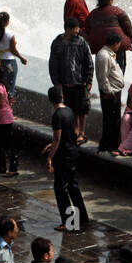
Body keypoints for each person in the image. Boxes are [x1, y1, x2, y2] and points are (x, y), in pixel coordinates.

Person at [43, 86, 90, 232]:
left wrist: (50, 157)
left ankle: (69, 222)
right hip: (72, 152)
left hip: (63, 156)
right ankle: (83, 217)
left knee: (61, 188)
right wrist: (54, 144)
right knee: (72, 186)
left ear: (50, 100)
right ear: (62, 97)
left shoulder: (57, 115)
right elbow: (73, 132)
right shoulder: (68, 111)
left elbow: (57, 138)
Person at [49, 17, 94, 143]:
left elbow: (89, 62)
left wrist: (89, 80)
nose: (77, 31)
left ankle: (82, 133)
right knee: (70, 109)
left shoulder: (81, 42)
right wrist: (56, 83)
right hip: (64, 83)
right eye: (75, 29)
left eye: (77, 28)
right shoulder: (57, 43)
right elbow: (53, 64)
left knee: (82, 108)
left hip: (80, 82)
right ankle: (73, 131)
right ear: (67, 29)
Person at [96, 32, 126, 153]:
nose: (119, 46)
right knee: (110, 120)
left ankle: (111, 144)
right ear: (114, 43)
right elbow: (102, 77)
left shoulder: (108, 54)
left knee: (113, 119)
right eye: (119, 43)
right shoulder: (104, 56)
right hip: (111, 92)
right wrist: (108, 91)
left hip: (114, 90)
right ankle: (108, 145)